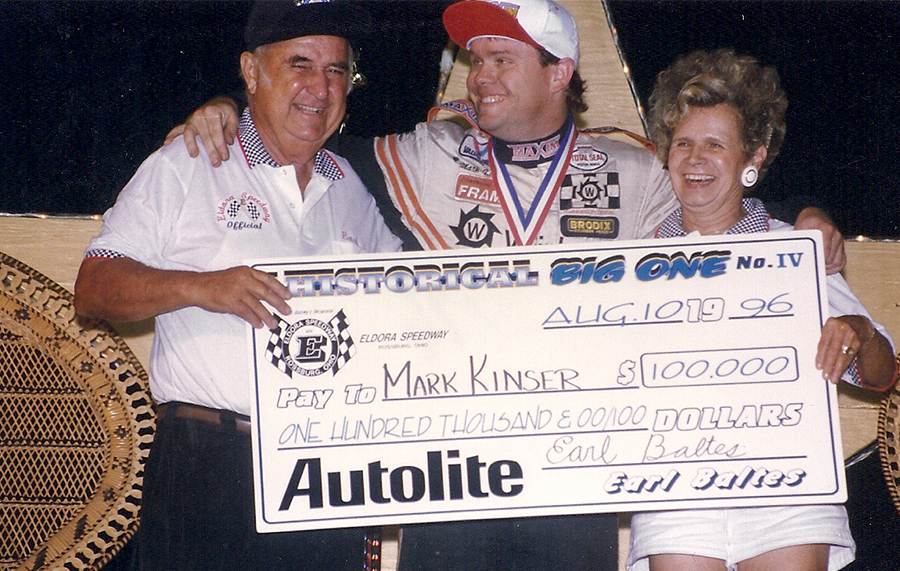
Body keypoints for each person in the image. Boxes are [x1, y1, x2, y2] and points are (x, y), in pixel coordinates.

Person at [166, 2, 849, 569]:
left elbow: (722, 206)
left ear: (560, 74)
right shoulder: (425, 155)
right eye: (474, 59)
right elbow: (301, 134)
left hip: (573, 478)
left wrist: (811, 214)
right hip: (457, 476)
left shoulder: (633, 169)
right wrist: (225, 105)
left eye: (501, 59)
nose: (479, 76)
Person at [73, 2, 402, 570]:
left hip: (321, 470)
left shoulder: (348, 184)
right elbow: (93, 287)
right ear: (251, 72)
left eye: (336, 70)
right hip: (209, 464)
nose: (319, 88)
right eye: (300, 64)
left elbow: (403, 303)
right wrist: (203, 287)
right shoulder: (190, 160)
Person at [624, 48, 898, 571]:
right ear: (665, 152)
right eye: (682, 142)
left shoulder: (797, 247)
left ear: (753, 158)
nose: (695, 158)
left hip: (786, 495)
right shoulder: (633, 264)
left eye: (714, 145)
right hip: (675, 492)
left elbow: (881, 375)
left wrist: (857, 331)